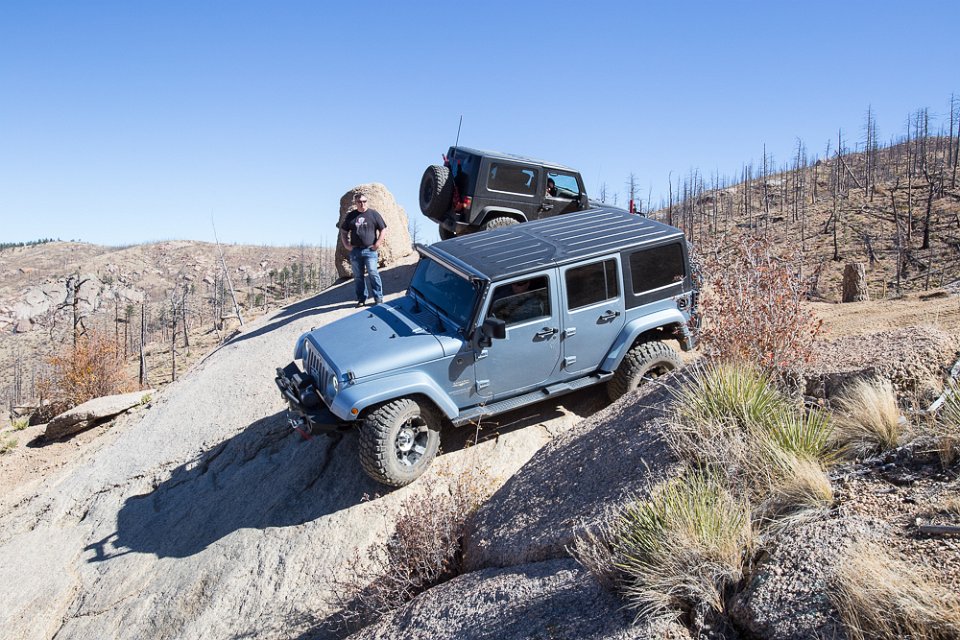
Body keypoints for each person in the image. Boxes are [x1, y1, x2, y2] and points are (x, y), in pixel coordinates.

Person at [340, 193, 388, 307]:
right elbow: (344, 231)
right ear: (355, 203)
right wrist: (346, 245)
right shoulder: (351, 216)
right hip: (356, 251)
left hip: (370, 250)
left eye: (364, 201)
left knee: (373, 273)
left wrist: (378, 243)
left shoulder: (373, 214)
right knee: (358, 276)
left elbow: (383, 229)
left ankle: (378, 298)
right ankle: (361, 299)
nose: (362, 204)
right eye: (360, 202)